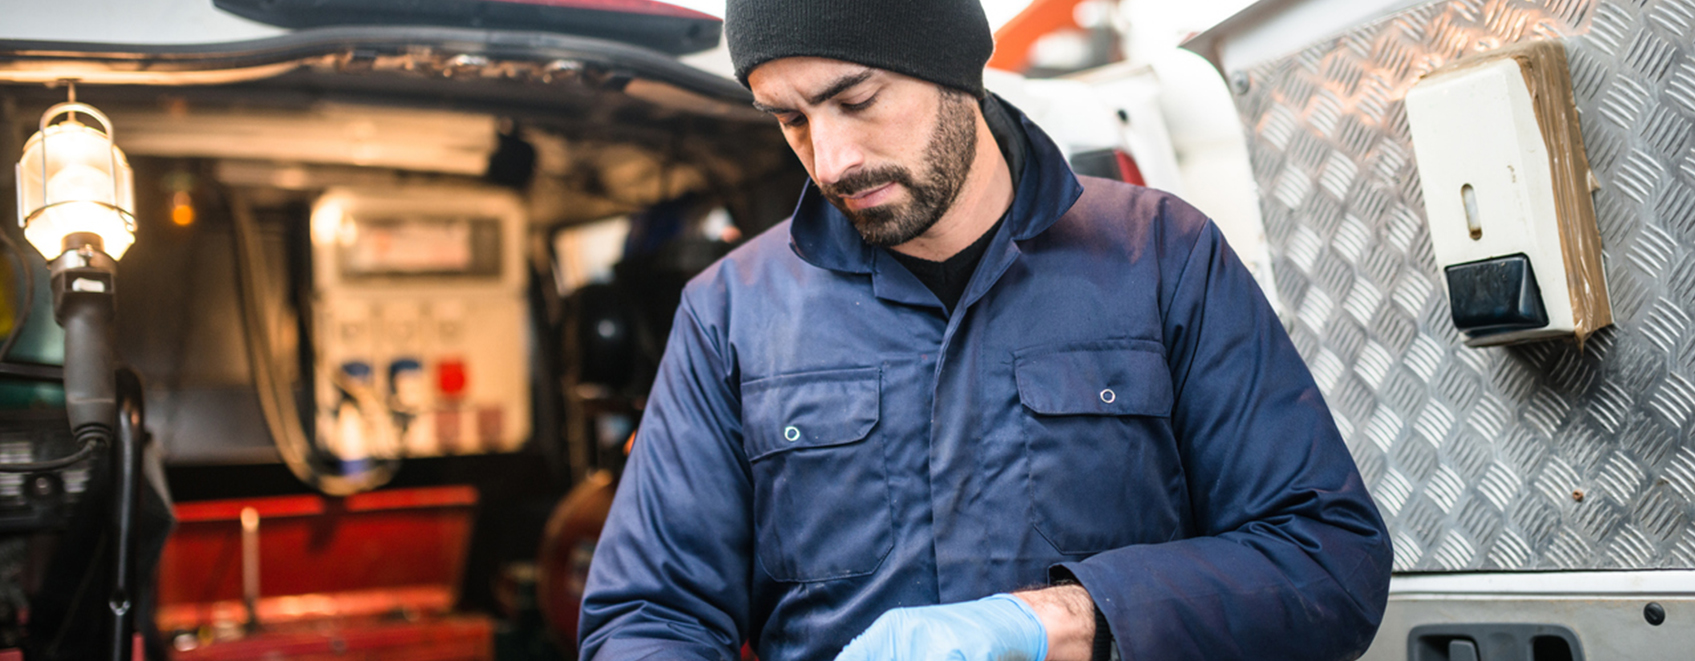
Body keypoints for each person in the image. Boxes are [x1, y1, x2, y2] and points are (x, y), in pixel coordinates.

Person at [577, 0, 1394, 659]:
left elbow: (1327, 563)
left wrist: (1066, 620)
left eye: (855, 99)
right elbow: (647, 617)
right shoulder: (731, 311)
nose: (828, 159)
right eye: (789, 119)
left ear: (952, 68)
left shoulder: (1160, 257)